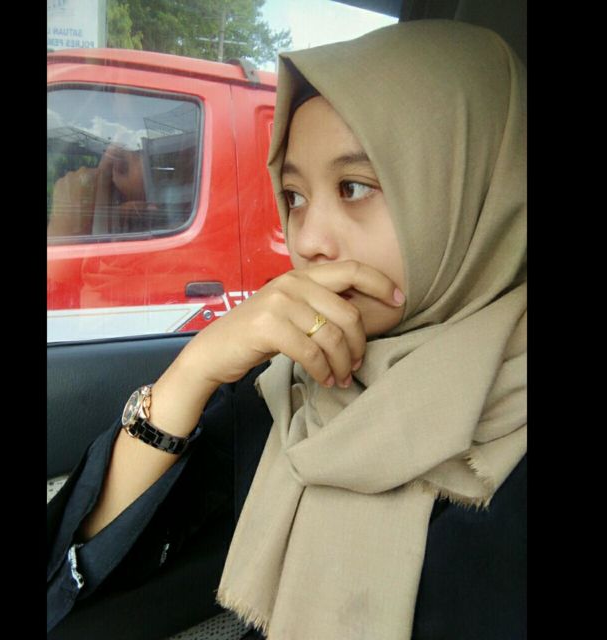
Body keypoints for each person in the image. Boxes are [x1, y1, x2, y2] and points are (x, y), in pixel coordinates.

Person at [47, 19, 526, 640]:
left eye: (354, 187)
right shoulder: (291, 386)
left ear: (469, 191)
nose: (309, 241)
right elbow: (89, 568)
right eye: (295, 197)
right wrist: (195, 368)